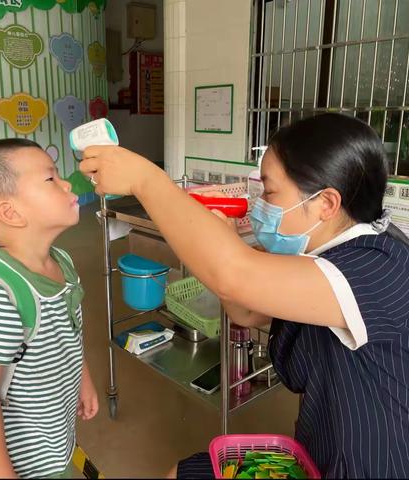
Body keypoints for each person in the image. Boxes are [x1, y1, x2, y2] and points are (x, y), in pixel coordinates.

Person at [80, 113, 409, 478]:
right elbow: (246, 312)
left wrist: (145, 179)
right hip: (319, 451)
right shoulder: (321, 256)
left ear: (326, 203)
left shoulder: (375, 268)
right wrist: (220, 244)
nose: (260, 205)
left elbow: (234, 276)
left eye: (269, 192)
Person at [0, 139, 98, 478]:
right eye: (50, 179)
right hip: (16, 465)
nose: (66, 183)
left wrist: (83, 380)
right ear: (10, 213)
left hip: (51, 443)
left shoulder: (63, 263)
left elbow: (69, 332)